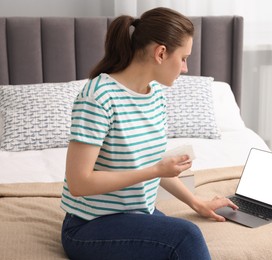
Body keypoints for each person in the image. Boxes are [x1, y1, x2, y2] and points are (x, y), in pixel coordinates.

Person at [60, 7, 237, 260]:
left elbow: (150, 163)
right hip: (89, 226)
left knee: (179, 239)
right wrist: (155, 171)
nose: (185, 68)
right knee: (186, 236)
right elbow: (79, 183)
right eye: (184, 58)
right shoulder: (98, 97)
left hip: (136, 215)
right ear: (161, 53)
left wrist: (197, 202)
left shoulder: (155, 95)